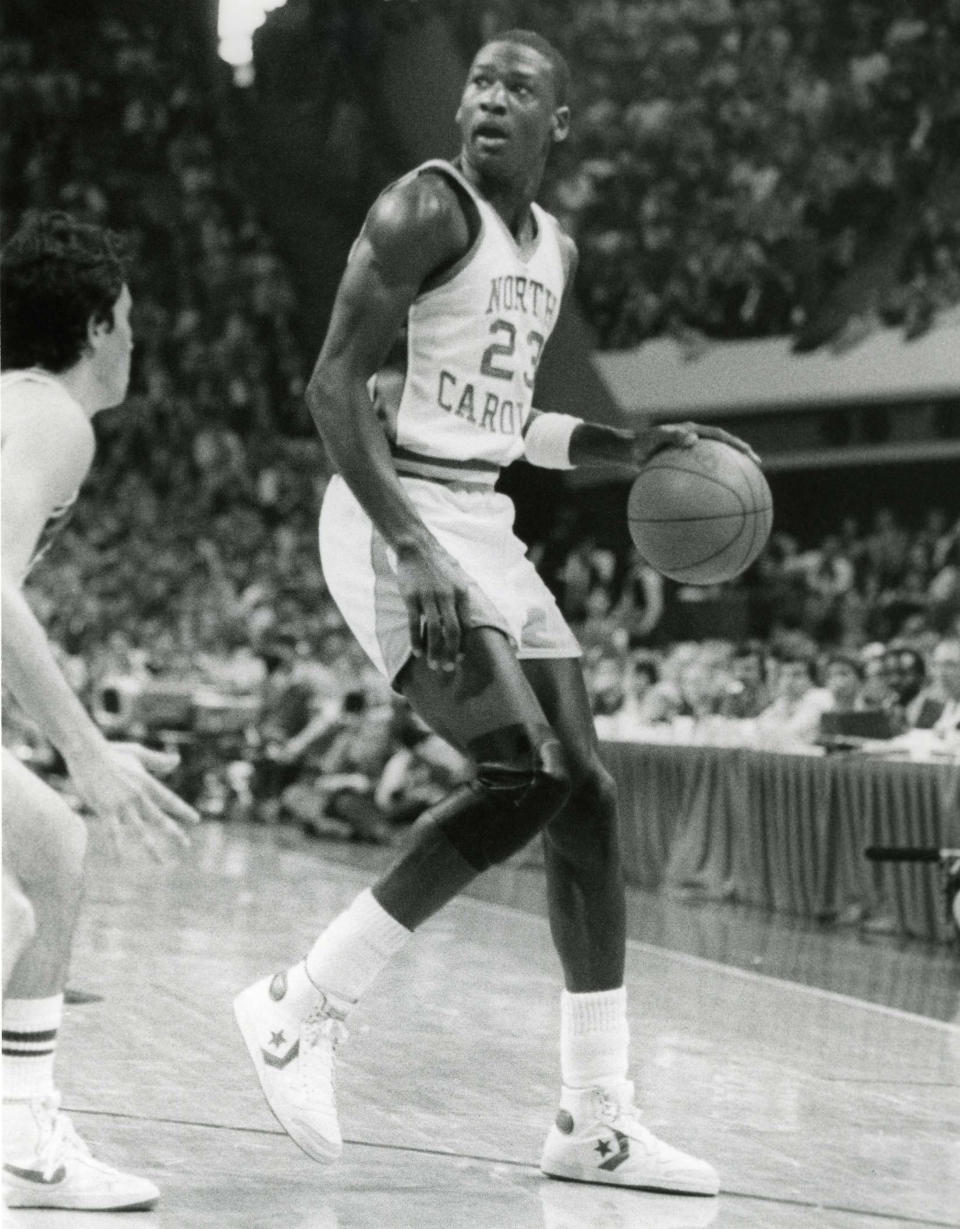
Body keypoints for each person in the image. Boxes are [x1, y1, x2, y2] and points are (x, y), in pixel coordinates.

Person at [234, 30, 757, 1197]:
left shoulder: (551, 247)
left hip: (480, 514)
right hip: (392, 506)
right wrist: (412, 546)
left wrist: (626, 449)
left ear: (557, 123)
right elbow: (332, 384)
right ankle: (298, 1005)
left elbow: (507, 421)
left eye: (518, 89)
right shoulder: (425, 207)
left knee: (585, 792)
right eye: (479, 83)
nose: (489, 101)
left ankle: (595, 1116)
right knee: (519, 773)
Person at [2, 212, 200, 1212]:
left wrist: (61, 739)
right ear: (94, 326)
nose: (136, 336)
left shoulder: (17, 406)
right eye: (127, 317)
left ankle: (26, 1136)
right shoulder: (52, 419)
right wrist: (79, 747)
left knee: (49, 850)